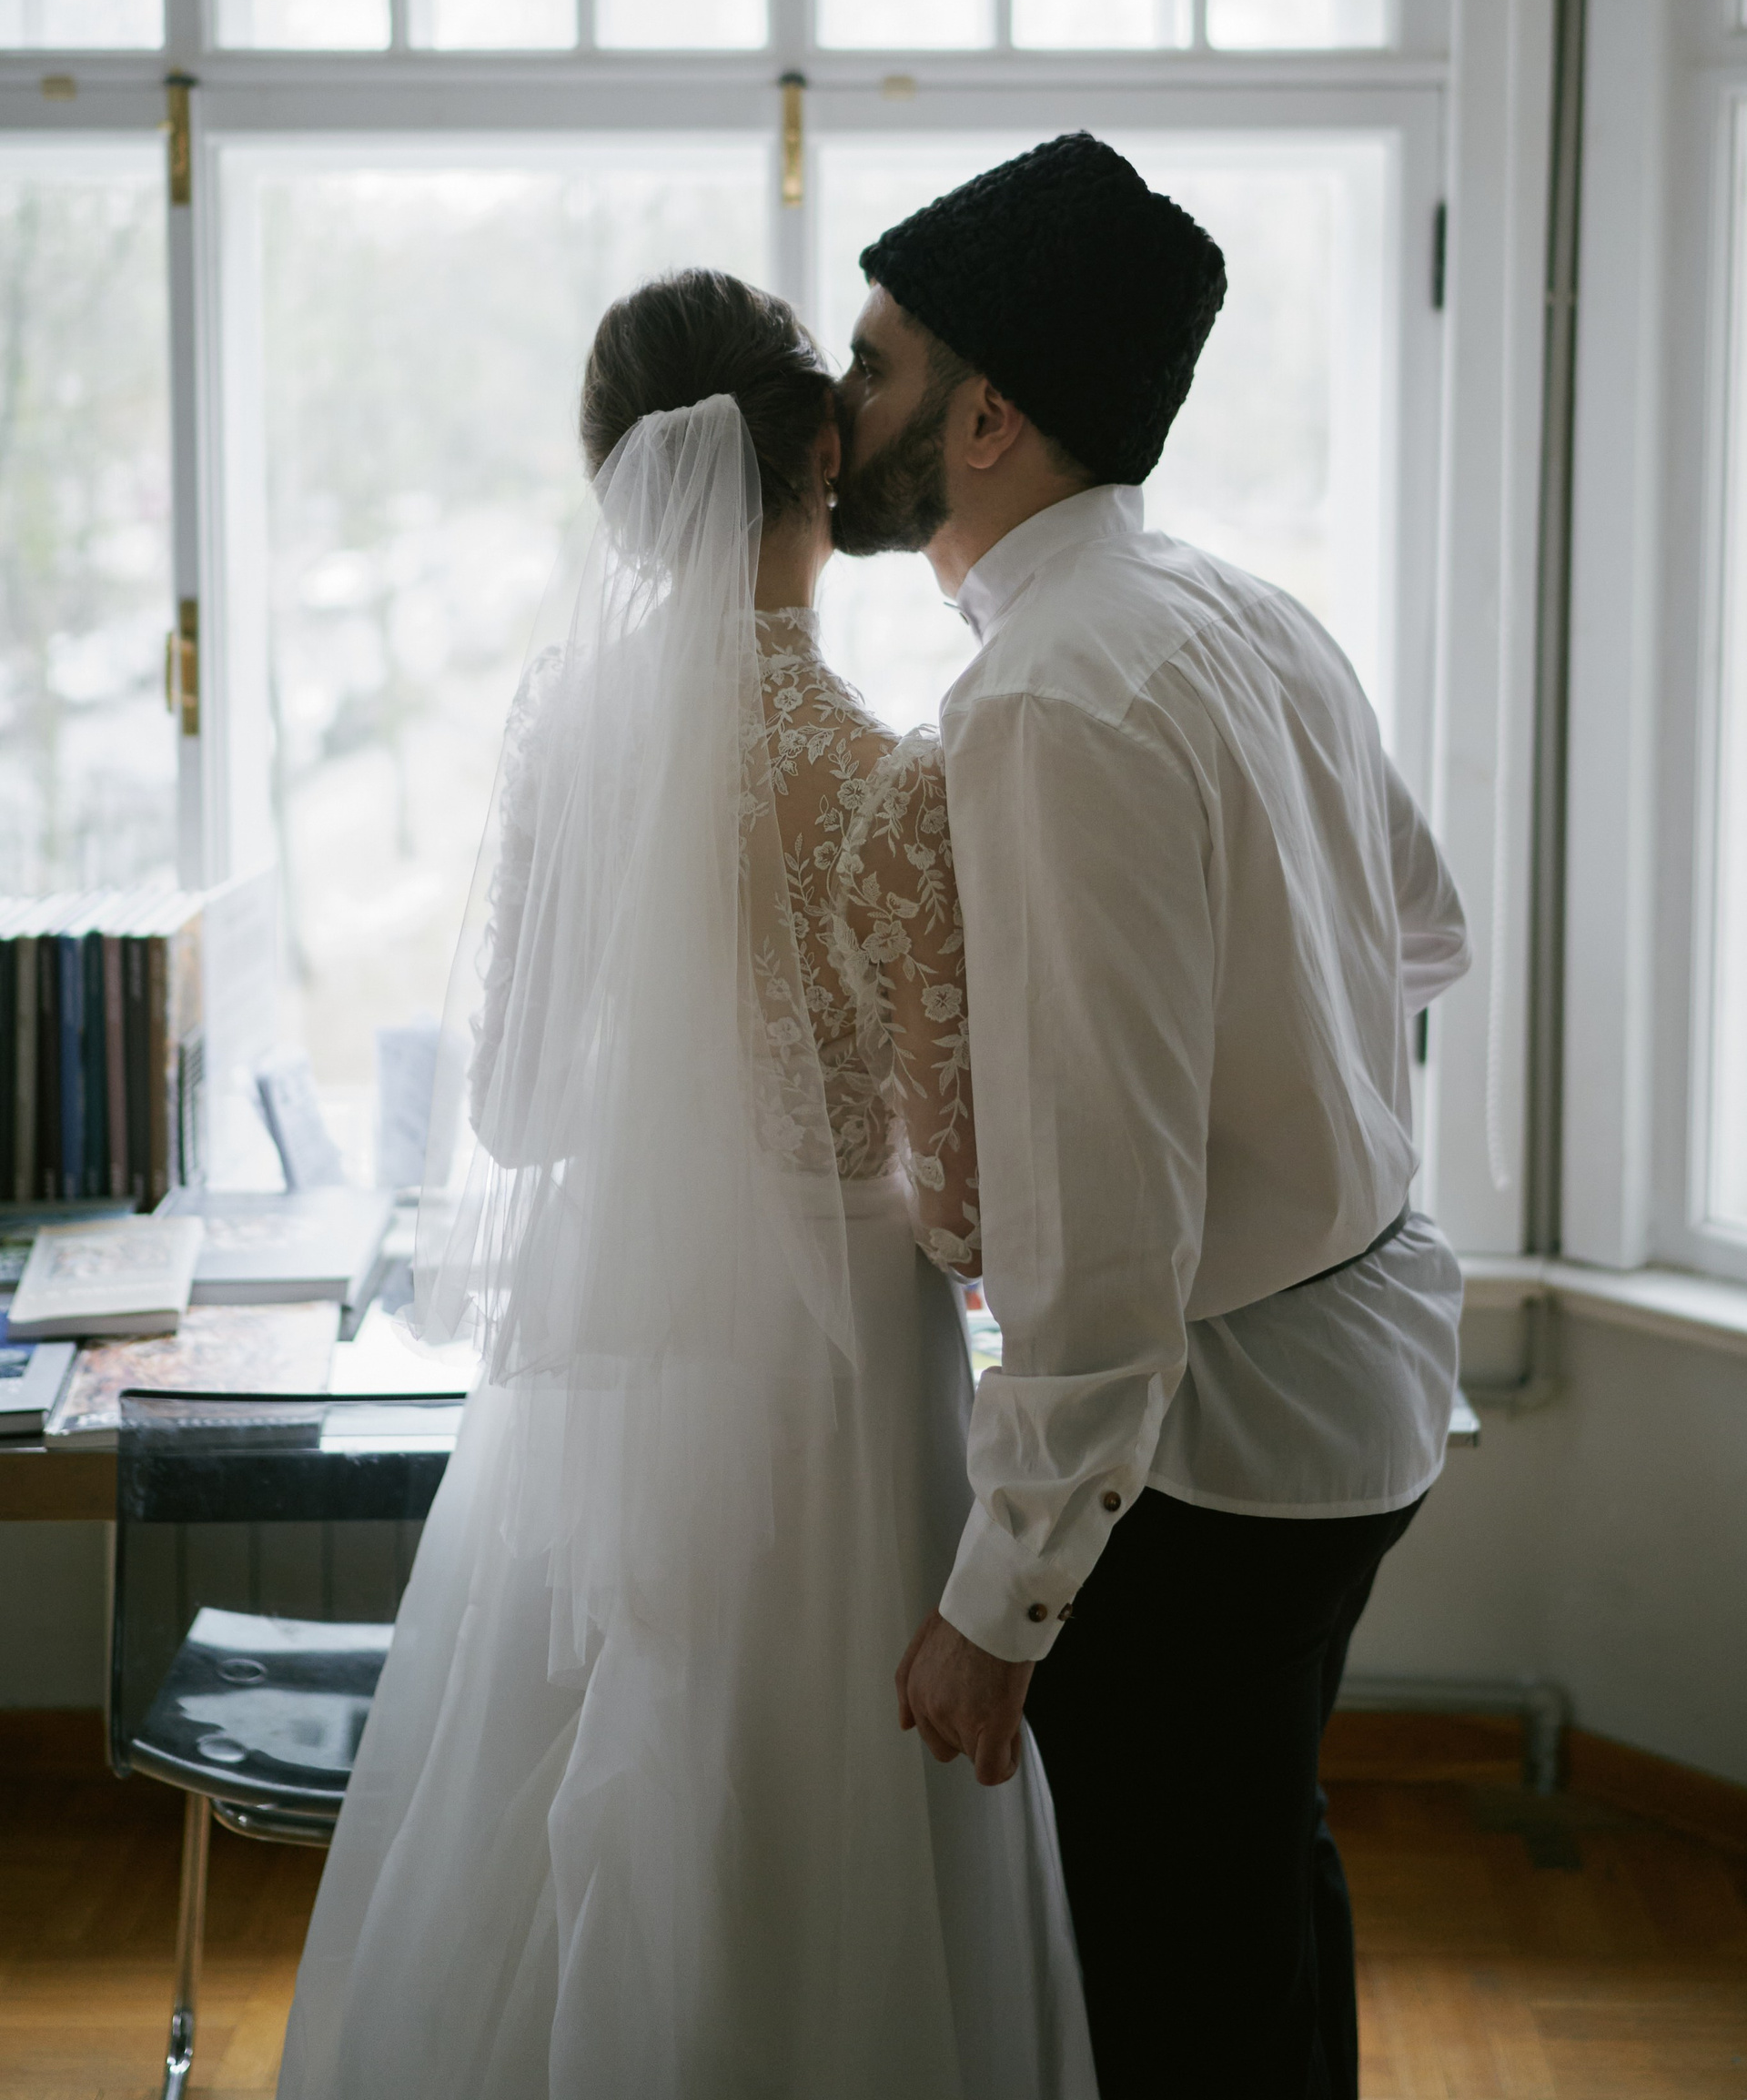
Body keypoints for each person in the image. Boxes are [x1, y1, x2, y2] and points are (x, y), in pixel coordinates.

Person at [275, 272, 1095, 2100]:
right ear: (823, 456)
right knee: (820, 1794)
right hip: (843, 1377)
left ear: (623, 488)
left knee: (605, 1753)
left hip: (627, 1353)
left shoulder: (567, 733)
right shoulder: (891, 788)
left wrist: (676, 1114)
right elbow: (964, 1208)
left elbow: (511, 1114)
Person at [835, 132, 1471, 2100]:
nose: (839, 409)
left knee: (1172, 1975)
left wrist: (1000, 1598)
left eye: (875, 366)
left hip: (1221, 1451)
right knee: (1258, 1883)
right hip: (1367, 1378)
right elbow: (1427, 932)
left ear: (991, 418)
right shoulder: (1245, 608)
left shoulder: (1045, 696)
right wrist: (1291, 1072)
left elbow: (1102, 1232)